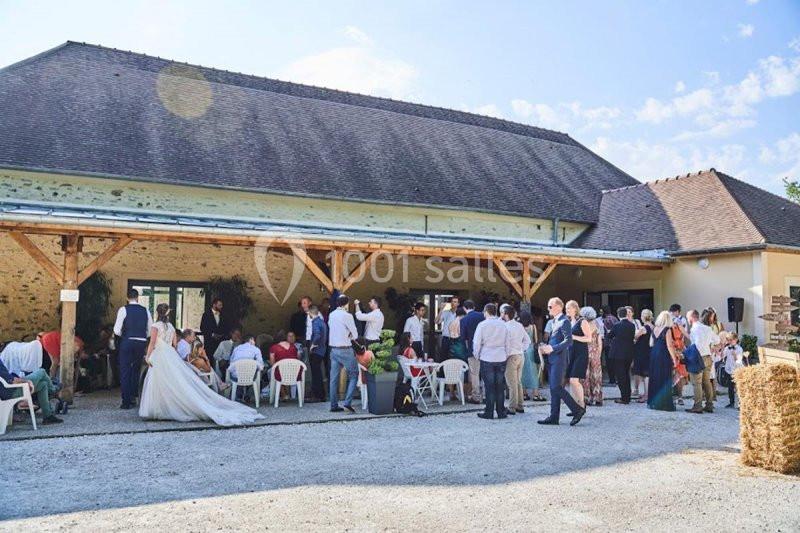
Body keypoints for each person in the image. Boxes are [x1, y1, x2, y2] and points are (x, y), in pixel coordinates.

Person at [139, 304, 262, 426]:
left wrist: (148, 356)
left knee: (159, 381)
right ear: (167, 313)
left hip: (160, 354)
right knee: (173, 381)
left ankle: (158, 407)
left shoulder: (155, 326)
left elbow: (152, 343)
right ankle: (168, 407)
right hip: (170, 354)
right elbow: (175, 345)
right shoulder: (171, 327)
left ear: (157, 313)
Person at [538, 298, 585, 426]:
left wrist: (552, 348)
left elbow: (568, 341)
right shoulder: (554, 321)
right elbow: (555, 340)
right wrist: (546, 346)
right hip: (553, 358)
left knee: (556, 387)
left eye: (550, 306)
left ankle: (577, 409)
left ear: (559, 307)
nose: (548, 309)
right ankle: (554, 417)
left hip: (559, 359)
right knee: (554, 389)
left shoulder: (564, 321)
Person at [113, 288, 153, 410]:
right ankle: (134, 397)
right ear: (138, 298)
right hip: (141, 342)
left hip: (128, 341)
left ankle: (126, 401)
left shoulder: (123, 309)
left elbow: (116, 330)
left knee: (125, 370)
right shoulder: (145, 310)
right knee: (136, 369)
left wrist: (124, 336)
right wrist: (142, 336)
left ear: (127, 298)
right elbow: (150, 329)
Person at [0, 357, 62, 424]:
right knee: (42, 371)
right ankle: (53, 390)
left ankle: (48, 416)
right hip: (12, 390)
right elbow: (11, 380)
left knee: (43, 385)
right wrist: (25, 381)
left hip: (9, 390)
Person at [473, 303, 509, 420]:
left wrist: (476, 355)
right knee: (499, 386)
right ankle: (501, 411)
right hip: (501, 357)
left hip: (487, 357)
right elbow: (508, 342)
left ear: (486, 311)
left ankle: (489, 412)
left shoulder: (482, 325)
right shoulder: (503, 325)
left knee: (489, 386)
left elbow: (477, 342)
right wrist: (506, 354)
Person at [328, 294, 359, 414]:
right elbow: (355, 333)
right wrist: (350, 335)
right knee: (354, 374)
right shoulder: (347, 316)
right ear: (346, 304)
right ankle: (347, 403)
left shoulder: (332, 314)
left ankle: (333, 405)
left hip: (334, 349)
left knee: (333, 378)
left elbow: (332, 328)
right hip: (345, 349)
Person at [686, 309, 720, 414]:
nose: (688, 320)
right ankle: (709, 405)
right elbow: (717, 340)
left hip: (698, 358)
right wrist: (711, 346)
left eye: (688, 318)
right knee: (706, 382)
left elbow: (696, 345)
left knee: (697, 383)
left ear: (691, 318)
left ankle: (698, 406)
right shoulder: (708, 328)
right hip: (708, 357)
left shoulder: (694, 329)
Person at [647, 311, 680, 412]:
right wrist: (674, 358)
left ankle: (654, 402)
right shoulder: (667, 330)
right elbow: (669, 346)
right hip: (663, 354)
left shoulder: (655, 328)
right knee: (664, 377)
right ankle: (664, 403)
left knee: (655, 376)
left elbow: (650, 343)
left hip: (654, 353)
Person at [502, 305, 531, 415]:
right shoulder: (519, 325)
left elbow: (506, 343)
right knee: (518, 381)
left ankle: (512, 407)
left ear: (506, 314)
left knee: (511, 383)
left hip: (511, 356)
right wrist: (521, 349)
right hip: (520, 355)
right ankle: (520, 405)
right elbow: (527, 340)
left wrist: (507, 354)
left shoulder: (505, 326)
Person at [606, 306, 636, 405]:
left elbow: (609, 336)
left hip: (618, 354)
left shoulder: (617, 325)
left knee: (620, 376)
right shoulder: (632, 325)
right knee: (626, 375)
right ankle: (628, 395)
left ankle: (624, 398)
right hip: (629, 353)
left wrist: (609, 332)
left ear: (618, 315)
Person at [565, 300, 589, 411]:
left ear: (575, 308)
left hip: (580, 354)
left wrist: (574, 337)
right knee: (571, 381)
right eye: (566, 308)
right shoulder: (570, 322)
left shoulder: (582, 321)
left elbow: (588, 338)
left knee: (574, 380)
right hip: (571, 353)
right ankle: (575, 407)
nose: (567, 310)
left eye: (569, 308)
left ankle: (582, 405)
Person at [460, 300, 485, 404]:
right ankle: (486, 395)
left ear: (465, 308)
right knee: (485, 373)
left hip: (472, 348)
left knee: (474, 374)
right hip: (485, 349)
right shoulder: (482, 316)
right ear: (474, 307)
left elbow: (463, 337)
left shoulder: (464, 319)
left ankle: (476, 396)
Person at [579, 306, 604, 407]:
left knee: (585, 375)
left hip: (584, 351)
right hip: (595, 351)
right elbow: (599, 341)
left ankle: (586, 398)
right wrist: (599, 353)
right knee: (596, 375)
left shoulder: (582, 324)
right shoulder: (597, 324)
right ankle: (598, 398)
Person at [519, 310, 545, 402]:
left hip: (522, 350)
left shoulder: (519, 326)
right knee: (534, 372)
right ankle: (535, 394)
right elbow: (536, 340)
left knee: (522, 373)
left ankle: (524, 393)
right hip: (531, 350)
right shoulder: (533, 327)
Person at [269, 331, 303, 398]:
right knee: (282, 372)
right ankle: (287, 393)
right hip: (295, 372)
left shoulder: (273, 348)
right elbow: (297, 359)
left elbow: (272, 363)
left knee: (275, 372)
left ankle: (283, 394)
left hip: (282, 373)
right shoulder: (294, 347)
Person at [308, 306, 329, 402]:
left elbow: (317, 335)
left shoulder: (315, 322)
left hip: (316, 350)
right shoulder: (322, 322)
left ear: (311, 313)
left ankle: (318, 395)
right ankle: (321, 394)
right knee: (319, 372)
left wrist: (313, 345)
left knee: (316, 373)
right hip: (322, 350)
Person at [633, 310, 654, 403]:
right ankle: (647, 393)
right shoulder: (653, 326)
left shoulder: (644, 328)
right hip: (649, 351)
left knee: (645, 374)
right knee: (647, 373)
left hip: (642, 352)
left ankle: (646, 395)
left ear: (643, 317)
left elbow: (635, 337)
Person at [200, 298, 227, 367]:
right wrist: (212, 334)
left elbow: (225, 327)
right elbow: (202, 328)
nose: (221, 307)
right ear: (214, 305)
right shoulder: (206, 315)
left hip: (220, 342)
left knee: (219, 363)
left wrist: (221, 335)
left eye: (221, 305)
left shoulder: (223, 315)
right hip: (210, 342)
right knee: (210, 361)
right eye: (219, 305)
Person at [722, 333, 745, 408]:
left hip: (737, 369)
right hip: (729, 369)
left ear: (736, 340)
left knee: (738, 387)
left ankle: (740, 404)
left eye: (731, 340)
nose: (729, 341)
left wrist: (735, 355)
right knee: (730, 387)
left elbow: (738, 361)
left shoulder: (739, 349)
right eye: (728, 340)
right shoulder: (727, 348)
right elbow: (722, 356)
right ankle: (731, 402)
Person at [435, 296, 460, 362]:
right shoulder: (445, 312)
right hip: (446, 338)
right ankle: (442, 372)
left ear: (458, 304)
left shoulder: (460, 314)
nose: (453, 303)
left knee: (455, 358)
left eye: (455, 302)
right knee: (444, 358)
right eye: (452, 302)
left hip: (456, 339)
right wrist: (441, 309)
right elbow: (436, 322)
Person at [602, 306, 619, 384]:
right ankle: (617, 378)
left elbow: (607, 332)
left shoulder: (606, 320)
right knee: (615, 362)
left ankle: (612, 380)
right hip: (615, 343)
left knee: (609, 362)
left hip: (608, 343)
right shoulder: (615, 318)